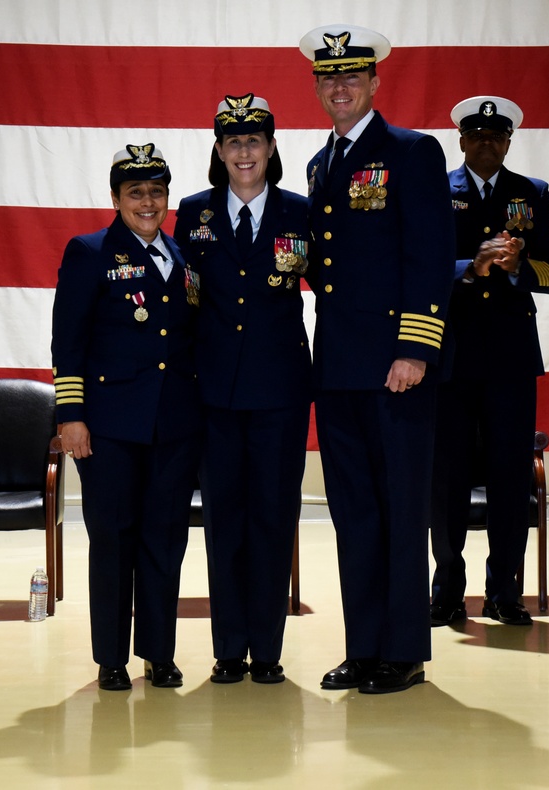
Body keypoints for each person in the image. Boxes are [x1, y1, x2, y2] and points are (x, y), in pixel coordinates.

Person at [299, 24, 456, 693]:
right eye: (328, 78)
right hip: (337, 368)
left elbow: (428, 255)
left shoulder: (413, 153)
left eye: (352, 76)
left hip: (396, 368)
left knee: (398, 509)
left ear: (374, 82)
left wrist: (415, 349)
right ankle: (363, 646)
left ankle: (404, 651)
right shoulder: (319, 163)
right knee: (354, 512)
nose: (340, 87)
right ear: (318, 87)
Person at [51, 144, 202, 689]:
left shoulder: (183, 258)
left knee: (165, 540)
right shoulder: (89, 252)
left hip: (175, 427)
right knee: (113, 539)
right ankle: (111, 658)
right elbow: (68, 342)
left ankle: (159, 653)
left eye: (156, 191)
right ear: (115, 198)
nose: (147, 201)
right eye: (135, 192)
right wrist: (71, 415)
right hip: (109, 428)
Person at [173, 94, 311, 685]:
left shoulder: (301, 212)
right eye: (233, 142)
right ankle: (229, 648)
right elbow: (180, 303)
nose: (244, 151)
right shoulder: (193, 213)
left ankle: (269, 652)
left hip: (280, 394)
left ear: (272, 147)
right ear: (219, 151)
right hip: (216, 397)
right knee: (224, 522)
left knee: (274, 521)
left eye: (254, 141)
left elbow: (343, 279)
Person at [429, 96, 549, 628]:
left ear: (509, 142)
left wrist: (515, 268)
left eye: (496, 136)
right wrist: (471, 265)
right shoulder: (437, 190)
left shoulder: (532, 194)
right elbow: (419, 266)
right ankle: (446, 590)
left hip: (510, 359)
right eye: (476, 136)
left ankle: (505, 590)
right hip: (453, 355)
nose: (486, 144)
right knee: (448, 480)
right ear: (462, 141)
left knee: (511, 478)